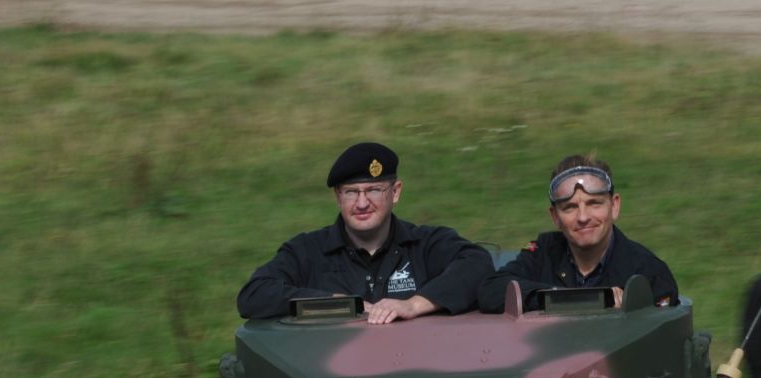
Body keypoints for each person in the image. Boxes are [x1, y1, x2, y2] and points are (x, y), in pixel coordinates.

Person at [237, 142, 493, 326]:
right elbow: (254, 295)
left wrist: (413, 305)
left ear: (395, 192)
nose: (361, 203)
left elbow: (478, 264)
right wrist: (340, 303)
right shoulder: (307, 251)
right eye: (351, 192)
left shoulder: (424, 243)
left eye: (373, 190)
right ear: (338, 196)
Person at [477, 155, 679, 313]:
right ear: (555, 216)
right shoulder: (544, 253)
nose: (583, 217)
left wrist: (628, 317)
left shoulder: (648, 272)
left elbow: (664, 341)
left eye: (594, 204)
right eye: (569, 208)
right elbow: (491, 290)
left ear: (614, 206)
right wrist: (559, 299)